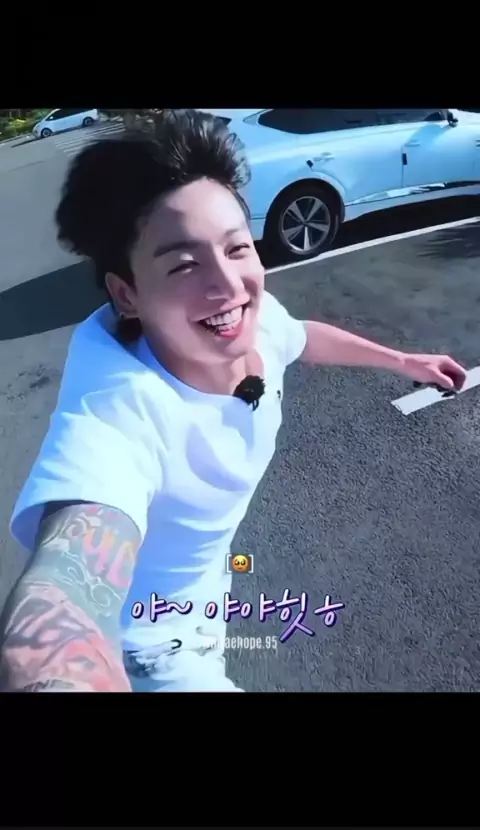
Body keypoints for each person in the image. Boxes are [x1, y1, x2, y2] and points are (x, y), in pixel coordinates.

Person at [0, 109, 466, 693]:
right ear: (127, 294)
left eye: (237, 248)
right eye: (184, 264)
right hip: (147, 651)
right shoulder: (117, 409)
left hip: (208, 605)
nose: (228, 286)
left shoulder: (252, 317)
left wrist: (403, 361)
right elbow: (65, 586)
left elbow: (297, 337)